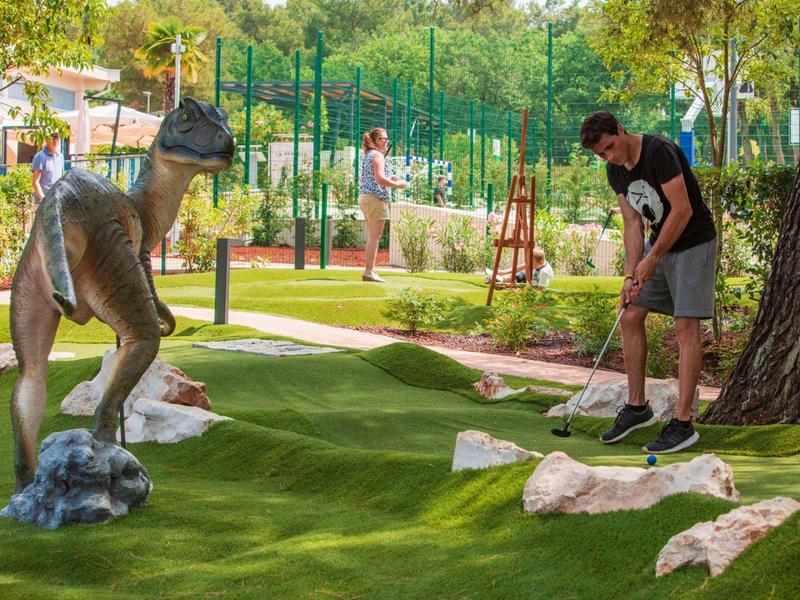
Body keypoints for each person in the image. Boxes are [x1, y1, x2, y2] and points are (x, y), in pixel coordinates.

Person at [579, 111, 716, 454]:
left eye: (611, 146)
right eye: (602, 154)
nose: (610, 156)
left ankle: (683, 424)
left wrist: (652, 259)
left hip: (693, 241)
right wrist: (630, 273)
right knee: (630, 315)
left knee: (686, 327)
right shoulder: (615, 170)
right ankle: (638, 407)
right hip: (660, 246)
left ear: (621, 130)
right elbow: (631, 224)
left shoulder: (659, 152)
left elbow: (682, 210)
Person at [358, 128, 407, 282]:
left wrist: (389, 179)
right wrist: (397, 184)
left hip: (365, 197)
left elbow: (375, 177)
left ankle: (370, 270)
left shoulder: (369, 155)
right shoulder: (377, 155)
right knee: (375, 236)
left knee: (373, 236)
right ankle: (369, 271)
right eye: (384, 138)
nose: (387, 141)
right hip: (375, 198)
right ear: (377, 140)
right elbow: (379, 180)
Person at [485, 247, 554, 290]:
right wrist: (503, 272)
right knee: (513, 276)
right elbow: (518, 268)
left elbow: (539, 290)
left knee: (511, 286)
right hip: (528, 277)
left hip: (536, 284)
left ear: (540, 263)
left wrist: (521, 292)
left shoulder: (544, 273)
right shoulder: (535, 261)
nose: (528, 265)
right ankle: (496, 279)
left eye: (531, 264)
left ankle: (498, 284)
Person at [31, 133, 64, 211]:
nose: (55, 140)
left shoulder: (60, 156)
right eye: (52, 137)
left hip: (56, 201)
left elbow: (62, 179)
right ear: (46, 139)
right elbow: (35, 182)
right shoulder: (39, 157)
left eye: (57, 137)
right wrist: (44, 200)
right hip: (42, 203)